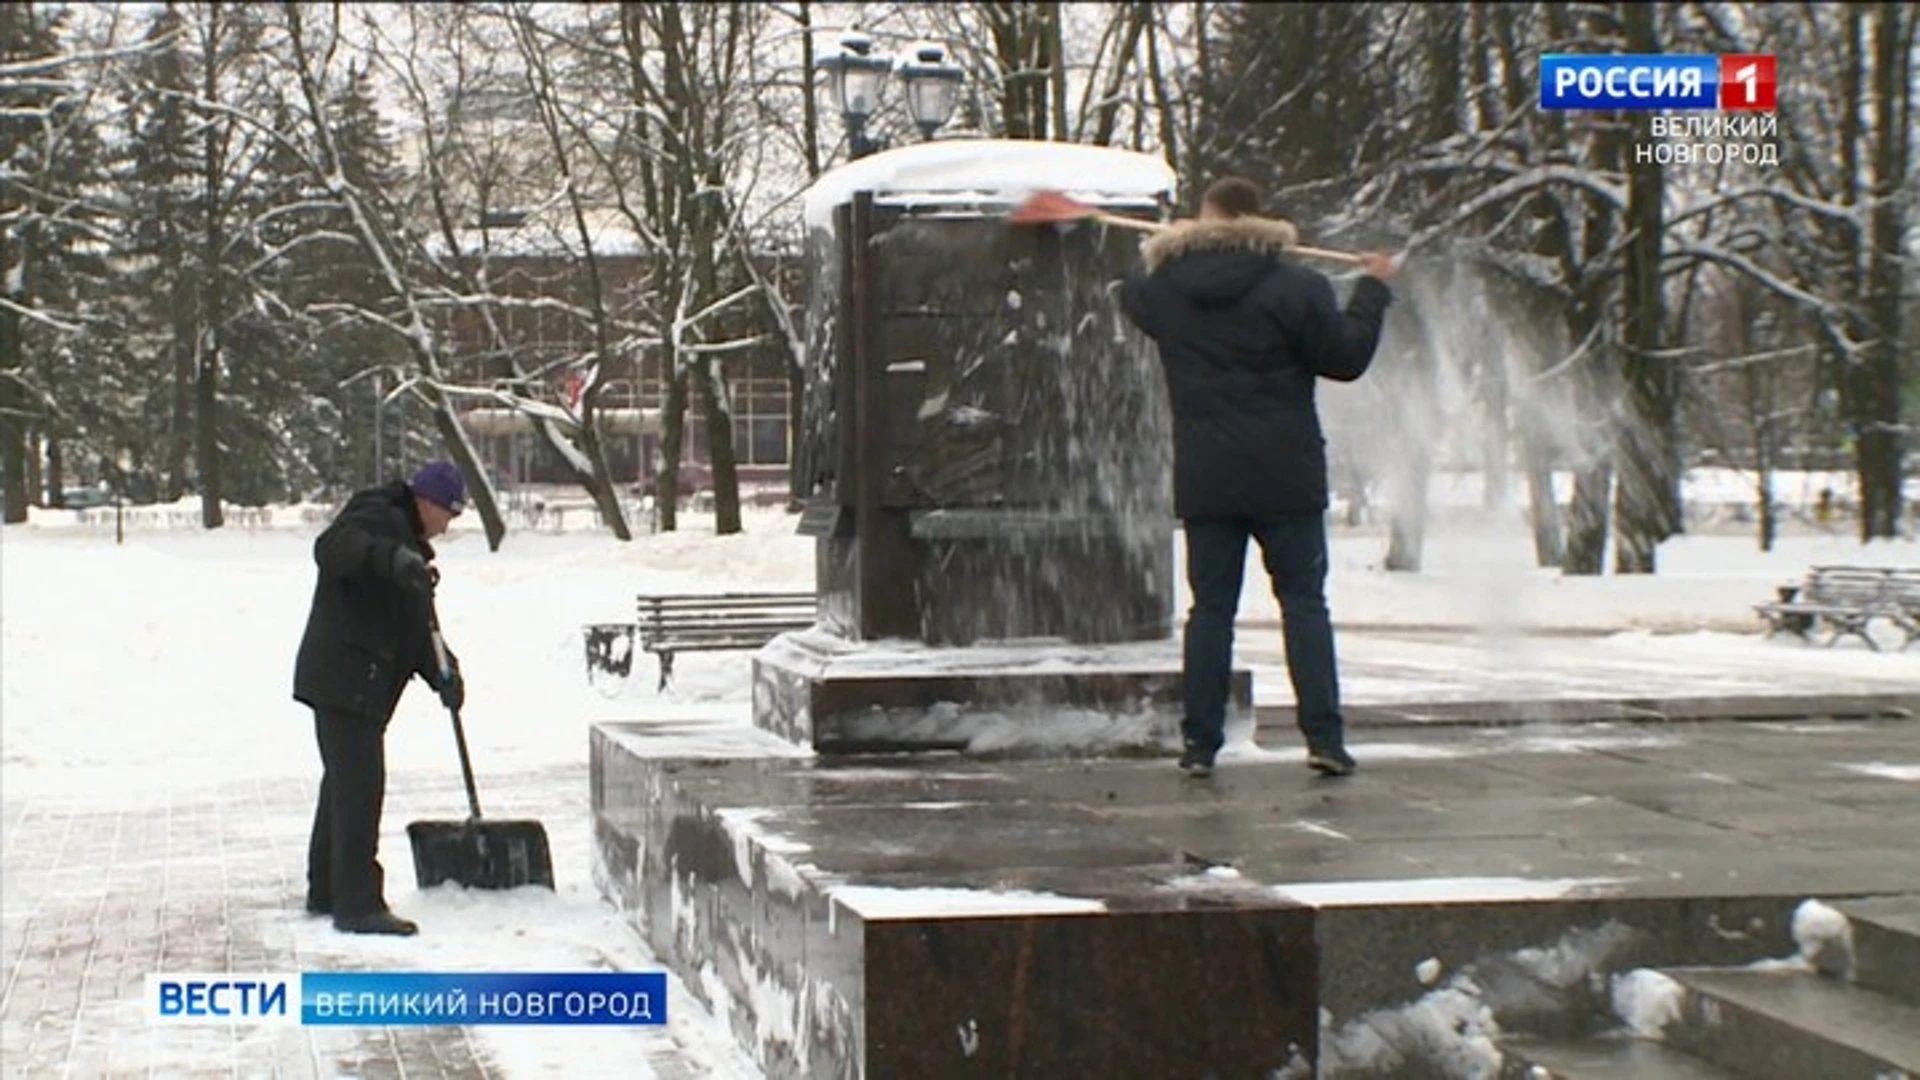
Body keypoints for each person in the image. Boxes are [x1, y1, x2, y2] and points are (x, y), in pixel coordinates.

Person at [1120, 176, 1397, 779]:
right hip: (1287, 475)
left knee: (1210, 610)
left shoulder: (1168, 291)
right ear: (1259, 217)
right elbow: (1345, 359)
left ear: (1206, 220)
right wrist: (1373, 289)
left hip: (1208, 477)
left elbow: (1131, 293)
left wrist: (1170, 247)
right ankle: (1324, 739)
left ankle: (1199, 745)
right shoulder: (1299, 286)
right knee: (1303, 605)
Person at [293, 460, 468, 934]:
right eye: (447, 515)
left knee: (344, 785)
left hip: (356, 679)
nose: (446, 527)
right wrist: (388, 559)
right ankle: (358, 905)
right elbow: (332, 549)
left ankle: (327, 890)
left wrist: (443, 673)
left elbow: (416, 630)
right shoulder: (375, 515)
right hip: (345, 674)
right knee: (359, 787)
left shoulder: (411, 551)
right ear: (427, 501)